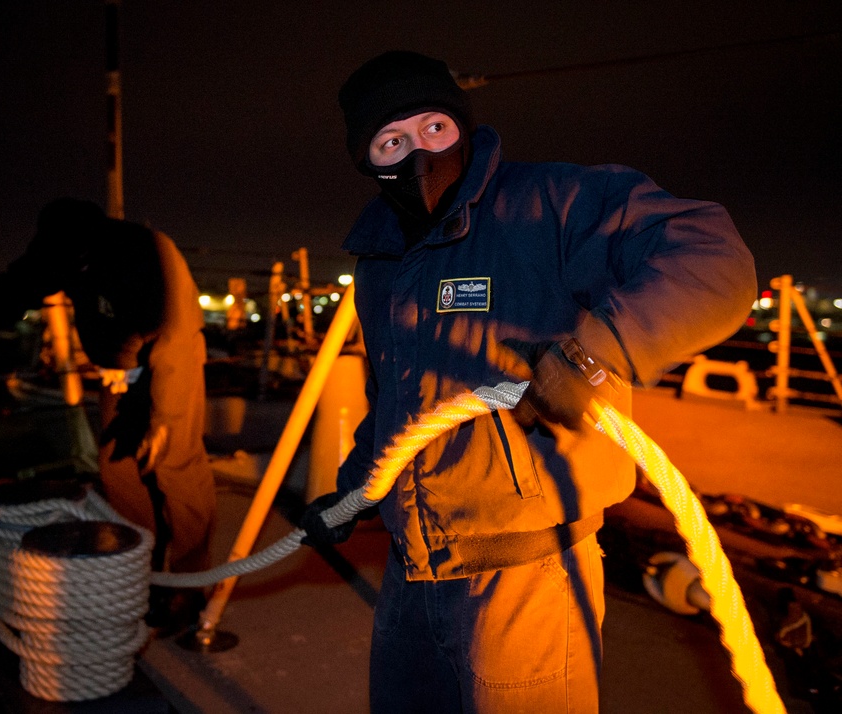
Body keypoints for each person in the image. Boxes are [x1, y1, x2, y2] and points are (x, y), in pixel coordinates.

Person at [301, 51, 756, 713]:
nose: (419, 154)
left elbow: (711, 255)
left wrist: (595, 356)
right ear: (367, 161)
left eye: (433, 128)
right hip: (412, 570)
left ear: (460, 124)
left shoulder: (554, 203)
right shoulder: (380, 261)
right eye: (391, 141)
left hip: (527, 576)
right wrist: (349, 496)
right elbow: (398, 406)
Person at [0, 198, 215, 630]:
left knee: (175, 468)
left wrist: (164, 421)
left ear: (93, 243)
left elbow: (174, 339)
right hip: (117, 372)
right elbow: (14, 290)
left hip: (169, 364)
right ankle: (143, 568)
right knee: (118, 472)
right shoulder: (60, 253)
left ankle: (192, 586)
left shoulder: (147, 251)